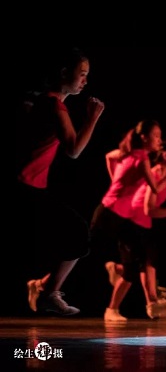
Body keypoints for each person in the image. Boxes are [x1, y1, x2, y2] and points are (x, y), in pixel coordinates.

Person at [17, 46, 105, 315]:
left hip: (32, 187)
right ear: (64, 73)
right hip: (25, 186)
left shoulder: (44, 102)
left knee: (73, 235)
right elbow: (74, 149)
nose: (85, 80)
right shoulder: (54, 105)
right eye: (82, 73)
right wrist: (92, 118)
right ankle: (46, 291)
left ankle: (45, 288)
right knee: (77, 234)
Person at [88, 119, 166, 321]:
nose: (159, 140)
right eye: (156, 136)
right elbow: (155, 188)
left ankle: (113, 308)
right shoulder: (142, 159)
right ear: (143, 138)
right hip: (110, 213)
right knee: (82, 253)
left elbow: (109, 156)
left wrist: (115, 183)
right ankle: (44, 285)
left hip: (120, 215)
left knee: (137, 261)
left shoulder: (128, 153)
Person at [104, 138, 166, 319]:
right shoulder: (156, 172)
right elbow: (148, 209)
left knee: (143, 265)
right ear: (165, 155)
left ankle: (125, 284)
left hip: (142, 223)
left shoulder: (163, 174)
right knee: (145, 264)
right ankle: (146, 303)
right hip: (132, 221)